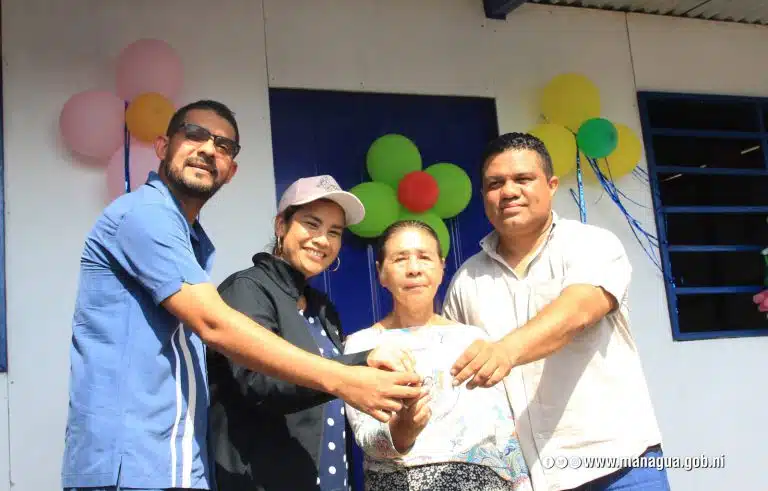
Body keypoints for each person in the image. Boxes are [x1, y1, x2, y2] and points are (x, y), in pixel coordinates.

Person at [61, 100, 422, 491]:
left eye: (223, 145)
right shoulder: (146, 214)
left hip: (175, 462)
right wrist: (346, 375)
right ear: (163, 146)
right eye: (194, 134)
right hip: (133, 466)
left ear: (231, 170)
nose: (207, 149)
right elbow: (215, 327)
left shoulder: (194, 242)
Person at [444, 132, 668, 491]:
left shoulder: (591, 244)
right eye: (495, 183)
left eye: (523, 179)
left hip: (620, 467)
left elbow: (578, 310)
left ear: (551, 186)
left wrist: (504, 351)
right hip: (526, 477)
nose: (509, 191)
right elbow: (455, 374)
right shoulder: (466, 280)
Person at [207, 175, 415, 491]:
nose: (322, 240)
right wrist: (360, 364)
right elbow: (258, 383)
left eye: (334, 232)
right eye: (311, 224)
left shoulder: (322, 308)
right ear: (281, 226)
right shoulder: (247, 290)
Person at [344, 220, 533, 491]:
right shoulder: (364, 346)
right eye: (400, 259)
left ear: (442, 267)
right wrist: (401, 431)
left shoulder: (473, 339)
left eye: (424, 257)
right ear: (381, 273)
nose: (414, 269)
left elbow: (505, 433)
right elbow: (366, 437)